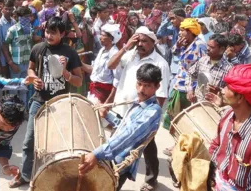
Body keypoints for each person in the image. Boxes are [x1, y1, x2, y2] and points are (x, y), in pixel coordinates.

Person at [10, 16, 83, 188]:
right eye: (47, 32)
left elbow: (79, 81)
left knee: (56, 143)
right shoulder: (38, 48)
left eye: (53, 33)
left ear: (62, 33)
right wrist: (34, 78)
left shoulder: (70, 53)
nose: (49, 36)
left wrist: (66, 73)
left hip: (60, 103)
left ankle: (54, 177)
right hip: (38, 101)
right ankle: (25, 176)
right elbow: (30, 68)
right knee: (29, 141)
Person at [78, 64, 163, 191]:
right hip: (112, 156)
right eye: (139, 84)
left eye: (147, 86)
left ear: (157, 86)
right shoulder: (138, 102)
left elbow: (129, 134)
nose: (141, 89)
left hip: (120, 164)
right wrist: (107, 115)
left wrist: (97, 154)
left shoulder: (153, 111)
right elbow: (123, 124)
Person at [106, 26, 169, 191]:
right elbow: (110, 65)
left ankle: (150, 178)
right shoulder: (130, 55)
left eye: (145, 41)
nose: (140, 44)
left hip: (143, 115)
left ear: (153, 43)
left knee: (144, 146)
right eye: (138, 40)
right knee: (125, 142)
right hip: (123, 109)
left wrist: (151, 119)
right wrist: (126, 46)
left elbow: (161, 94)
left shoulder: (160, 63)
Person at [163, 18, 207, 131]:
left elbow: (202, 67)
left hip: (191, 85)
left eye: (183, 30)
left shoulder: (199, 45)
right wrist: (177, 46)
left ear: (190, 31)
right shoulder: (182, 42)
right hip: (179, 82)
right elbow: (174, 52)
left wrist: (192, 88)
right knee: (174, 115)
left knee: (187, 117)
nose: (180, 33)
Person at [1, 6, 34, 106]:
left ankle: (22, 111)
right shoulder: (12, 30)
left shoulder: (30, 29)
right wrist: (11, 63)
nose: (27, 19)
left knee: (24, 89)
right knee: (14, 90)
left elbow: (30, 45)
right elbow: (4, 46)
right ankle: (12, 110)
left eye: (28, 16)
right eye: (24, 17)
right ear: (18, 17)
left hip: (26, 64)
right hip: (16, 65)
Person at [186, 33, 232, 102]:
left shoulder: (229, 69)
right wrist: (189, 90)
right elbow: (190, 74)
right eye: (208, 46)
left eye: (212, 47)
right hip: (197, 104)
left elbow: (231, 92)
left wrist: (219, 91)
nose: (207, 49)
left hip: (214, 109)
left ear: (222, 49)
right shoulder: (202, 61)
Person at [0, 0, 16, 76]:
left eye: (10, 9)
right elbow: (0, 44)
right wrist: (3, 62)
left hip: (14, 56)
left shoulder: (13, 22)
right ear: (2, 9)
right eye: (6, 9)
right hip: (3, 58)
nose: (8, 11)